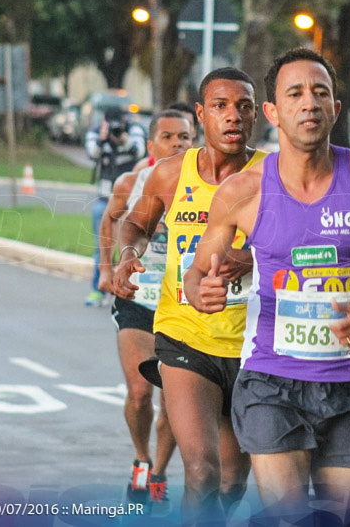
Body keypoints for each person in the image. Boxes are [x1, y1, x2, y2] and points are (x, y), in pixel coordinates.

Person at [183, 49, 350, 521]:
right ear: (274, 112)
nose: (310, 103)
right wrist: (204, 292)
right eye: (295, 93)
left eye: (321, 93)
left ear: (336, 109)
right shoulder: (244, 190)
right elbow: (198, 275)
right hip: (269, 383)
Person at [111, 68, 266, 522]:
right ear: (202, 114)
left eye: (244, 106)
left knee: (231, 482)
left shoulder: (274, 175)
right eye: (220, 106)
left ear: (257, 115)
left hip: (252, 345)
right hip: (184, 337)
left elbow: (302, 244)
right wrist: (126, 255)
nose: (233, 116)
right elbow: (136, 224)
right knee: (200, 471)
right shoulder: (170, 175)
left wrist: (252, 260)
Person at [96, 109, 193, 505]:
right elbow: (109, 221)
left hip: (182, 303)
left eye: (185, 137)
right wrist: (107, 268)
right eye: (168, 137)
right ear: (151, 145)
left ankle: (159, 473)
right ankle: (141, 457)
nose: (177, 144)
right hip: (136, 296)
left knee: (172, 399)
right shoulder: (131, 182)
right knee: (140, 392)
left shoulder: (205, 186)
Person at [85, 106, 146, 306]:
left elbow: (140, 150)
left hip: (128, 201)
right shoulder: (95, 133)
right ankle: (98, 289)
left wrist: (122, 140)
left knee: (128, 247)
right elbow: (91, 152)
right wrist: (104, 139)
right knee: (101, 247)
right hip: (104, 198)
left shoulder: (134, 131)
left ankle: (124, 289)